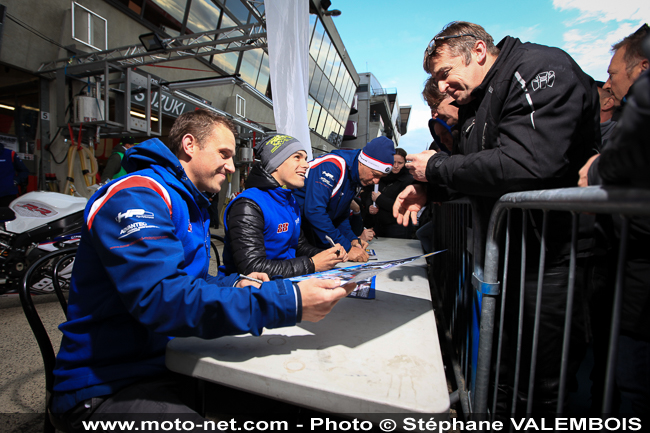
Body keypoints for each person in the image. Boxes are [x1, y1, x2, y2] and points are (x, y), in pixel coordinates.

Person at [51, 110, 353, 431]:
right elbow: (163, 299)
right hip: (108, 383)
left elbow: (191, 281)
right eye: (224, 154)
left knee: (287, 405)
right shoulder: (136, 195)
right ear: (189, 145)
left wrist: (234, 284)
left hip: (173, 359)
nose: (232, 166)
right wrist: (288, 301)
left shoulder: (190, 202)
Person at [395, 21, 599, 413]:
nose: (442, 88)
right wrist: (432, 190)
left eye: (445, 73)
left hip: (554, 257)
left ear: (478, 51)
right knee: (503, 368)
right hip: (513, 255)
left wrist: (436, 168)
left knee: (539, 381)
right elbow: (480, 173)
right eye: (436, 80)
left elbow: (528, 163)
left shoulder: (539, 68)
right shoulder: (476, 100)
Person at [579, 28, 650, 414]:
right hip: (625, 278)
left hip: (639, 285)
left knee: (632, 386)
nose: (608, 83)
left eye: (612, 73)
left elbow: (623, 165)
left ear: (642, 69)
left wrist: (597, 170)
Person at [222, 134, 347, 278]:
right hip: (252, 289)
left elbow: (299, 247)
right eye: (297, 157)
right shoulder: (248, 205)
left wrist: (327, 255)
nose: (306, 165)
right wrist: (312, 264)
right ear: (276, 163)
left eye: (305, 158)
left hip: (286, 282)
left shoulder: (289, 199)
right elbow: (251, 268)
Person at [294, 136, 395, 263]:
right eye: (375, 174)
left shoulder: (355, 176)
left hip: (310, 230)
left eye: (381, 177)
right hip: (295, 232)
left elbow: (340, 215)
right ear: (363, 163)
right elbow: (314, 211)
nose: (376, 181)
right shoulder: (332, 165)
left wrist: (352, 239)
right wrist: (347, 248)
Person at [361, 148, 413, 239]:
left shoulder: (409, 180)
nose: (396, 166)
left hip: (398, 226)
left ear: (405, 163)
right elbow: (370, 193)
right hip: (378, 225)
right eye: (393, 162)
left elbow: (403, 205)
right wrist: (369, 206)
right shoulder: (381, 175)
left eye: (400, 163)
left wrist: (379, 199)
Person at [0, 142, 29, 207]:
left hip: (7, 194)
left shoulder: (10, 154)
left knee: (7, 213)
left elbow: (24, 171)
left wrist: (15, 181)